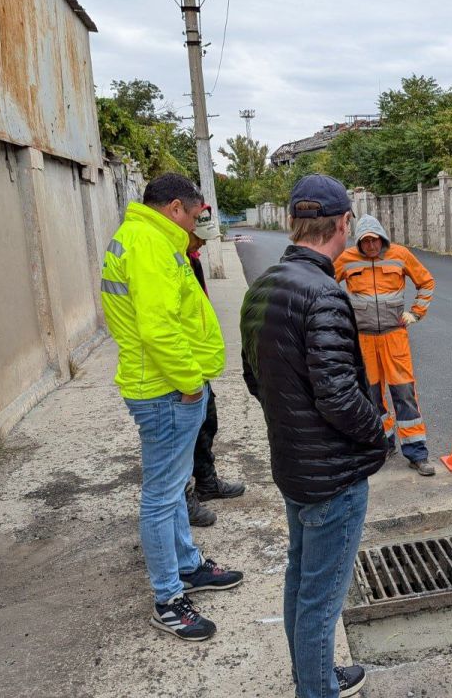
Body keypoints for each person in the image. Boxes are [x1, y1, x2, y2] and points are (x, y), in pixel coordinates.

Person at [240, 174, 386, 698]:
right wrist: (380, 436)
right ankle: (316, 689)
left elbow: (254, 377)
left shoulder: (264, 286)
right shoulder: (324, 294)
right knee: (322, 597)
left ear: (291, 223)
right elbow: (340, 397)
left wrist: (293, 424)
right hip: (333, 475)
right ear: (344, 224)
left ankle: (315, 675)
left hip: (295, 466)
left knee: (302, 582)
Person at [101, 174, 243, 642]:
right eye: (197, 216)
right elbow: (157, 327)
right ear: (177, 206)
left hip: (167, 385)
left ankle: (187, 566)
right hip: (164, 389)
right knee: (162, 496)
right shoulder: (149, 243)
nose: (197, 225)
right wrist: (188, 384)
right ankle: (167, 599)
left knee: (176, 484)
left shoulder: (153, 237)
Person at [334, 214, 437, 476]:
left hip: (395, 337)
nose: (370, 246)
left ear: (382, 238)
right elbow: (324, 286)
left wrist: (416, 312)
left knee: (404, 394)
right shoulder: (346, 260)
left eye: (374, 240)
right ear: (358, 242)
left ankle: (417, 452)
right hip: (364, 340)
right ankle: (383, 443)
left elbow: (426, 282)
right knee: (370, 396)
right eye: (365, 241)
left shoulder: (400, 255)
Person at [183, 205, 246, 528]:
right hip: (180, 369)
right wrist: (188, 381)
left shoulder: (190, 259)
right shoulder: (171, 260)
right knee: (183, 436)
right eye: (200, 238)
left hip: (197, 362)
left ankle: (207, 481)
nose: (204, 245)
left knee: (207, 422)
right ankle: (186, 496)